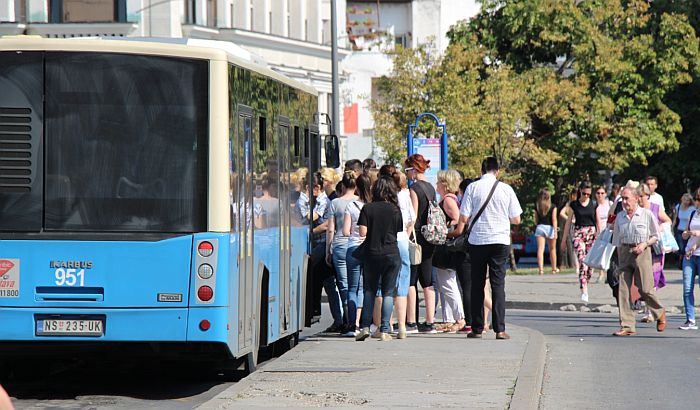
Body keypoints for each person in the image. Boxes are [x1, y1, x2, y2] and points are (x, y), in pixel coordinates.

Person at [457, 157, 522, 340]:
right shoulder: (506, 189)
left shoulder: (472, 188)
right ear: (497, 171)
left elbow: (463, 217)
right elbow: (516, 219)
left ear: (481, 170)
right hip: (500, 241)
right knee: (498, 284)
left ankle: (477, 328)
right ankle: (500, 329)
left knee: (477, 285)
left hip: (478, 241)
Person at [611, 185, 666, 336]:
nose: (624, 201)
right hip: (624, 252)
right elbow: (616, 240)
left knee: (645, 289)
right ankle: (627, 325)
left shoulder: (646, 214)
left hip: (642, 252)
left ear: (636, 199)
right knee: (623, 289)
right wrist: (619, 258)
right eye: (622, 198)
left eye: (627, 198)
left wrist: (644, 244)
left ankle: (660, 312)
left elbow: (656, 236)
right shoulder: (620, 217)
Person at [355, 176, 404, 342]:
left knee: (369, 291)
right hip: (391, 253)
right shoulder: (395, 209)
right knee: (388, 292)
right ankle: (384, 330)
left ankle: (365, 327)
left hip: (371, 254)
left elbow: (362, 232)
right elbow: (397, 231)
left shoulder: (368, 208)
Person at [300, 172, 343, 332]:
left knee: (331, 284)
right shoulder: (319, 200)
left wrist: (310, 231)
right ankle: (338, 319)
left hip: (324, 245)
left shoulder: (325, 201)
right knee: (330, 284)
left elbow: (326, 224)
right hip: (321, 245)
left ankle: (339, 319)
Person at [404, 154, 438, 333]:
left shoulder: (414, 189)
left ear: (414, 169)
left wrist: (405, 236)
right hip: (430, 238)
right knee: (428, 281)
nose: (407, 174)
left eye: (407, 170)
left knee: (411, 281)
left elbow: (413, 217)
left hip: (417, 238)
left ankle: (411, 322)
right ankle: (430, 322)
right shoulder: (431, 188)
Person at [380, 165, 414, 339]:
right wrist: (406, 236)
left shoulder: (382, 198)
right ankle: (402, 326)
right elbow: (411, 219)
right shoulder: (405, 196)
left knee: (383, 284)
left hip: (384, 241)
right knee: (402, 285)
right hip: (401, 240)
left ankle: (384, 325)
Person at [326, 171, 358, 336]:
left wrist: (328, 250)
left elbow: (331, 228)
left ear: (343, 186)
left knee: (344, 286)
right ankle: (357, 320)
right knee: (357, 284)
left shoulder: (335, 203)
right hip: (356, 245)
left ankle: (347, 321)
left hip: (339, 245)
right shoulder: (361, 202)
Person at [433, 169, 466, 333]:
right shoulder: (451, 198)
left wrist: (443, 229)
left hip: (446, 245)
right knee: (445, 283)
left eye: (439, 182)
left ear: (445, 185)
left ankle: (459, 318)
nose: (436, 185)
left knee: (447, 284)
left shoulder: (447, 200)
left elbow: (458, 219)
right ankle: (449, 319)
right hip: (446, 244)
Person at [561, 181, 600, 303]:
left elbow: (597, 221)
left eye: (588, 194)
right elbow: (568, 222)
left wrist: (600, 236)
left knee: (590, 266)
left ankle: (585, 281)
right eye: (584, 193)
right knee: (583, 261)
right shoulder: (574, 205)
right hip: (578, 234)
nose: (586, 196)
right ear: (580, 191)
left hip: (591, 235)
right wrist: (563, 239)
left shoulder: (594, 204)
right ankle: (584, 290)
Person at [343, 174, 372, 334]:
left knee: (352, 288)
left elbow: (345, 231)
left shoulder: (351, 205)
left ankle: (352, 325)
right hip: (369, 250)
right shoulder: (372, 206)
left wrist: (355, 230)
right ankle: (364, 324)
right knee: (367, 288)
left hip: (353, 248)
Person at [638, 182, 672, 322]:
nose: (639, 199)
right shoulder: (636, 210)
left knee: (653, 279)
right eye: (637, 196)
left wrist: (659, 228)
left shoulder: (655, 208)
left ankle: (650, 312)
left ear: (648, 195)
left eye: (641, 196)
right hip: (641, 248)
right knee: (643, 280)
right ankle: (649, 310)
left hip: (656, 249)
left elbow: (668, 221)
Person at [680, 190, 700, 330]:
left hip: (697, 252)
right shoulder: (694, 213)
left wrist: (695, 242)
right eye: (698, 197)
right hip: (689, 254)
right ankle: (690, 319)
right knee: (687, 288)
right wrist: (686, 234)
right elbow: (685, 232)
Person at [534, 188, 558, 275]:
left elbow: (536, 220)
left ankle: (541, 269)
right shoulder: (553, 206)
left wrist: (538, 225)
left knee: (540, 249)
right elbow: (554, 219)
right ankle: (554, 269)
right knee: (552, 249)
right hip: (550, 228)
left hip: (540, 227)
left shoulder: (537, 206)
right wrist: (555, 231)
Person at [593, 185, 612, 282]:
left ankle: (609, 273)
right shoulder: (594, 205)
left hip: (609, 229)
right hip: (599, 231)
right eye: (598, 193)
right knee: (600, 253)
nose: (600, 195)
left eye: (602, 193)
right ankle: (601, 274)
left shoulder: (610, 204)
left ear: (605, 194)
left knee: (609, 253)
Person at [674, 193, 697, 269]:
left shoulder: (692, 209)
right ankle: (682, 261)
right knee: (681, 247)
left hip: (688, 231)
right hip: (679, 230)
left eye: (688, 200)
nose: (686, 202)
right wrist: (671, 227)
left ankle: (683, 262)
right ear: (682, 199)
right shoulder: (678, 207)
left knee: (685, 247)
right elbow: (675, 218)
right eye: (684, 200)